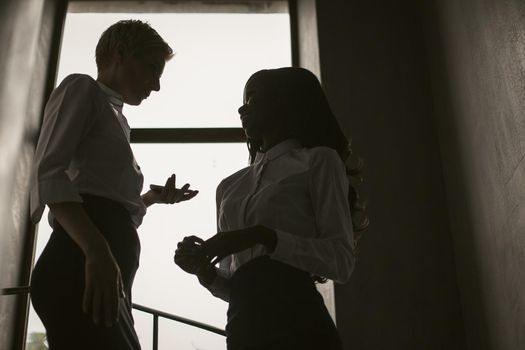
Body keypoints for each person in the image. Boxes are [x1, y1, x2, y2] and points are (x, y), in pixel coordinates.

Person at [29, 20, 197, 350]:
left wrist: (150, 199)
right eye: (151, 68)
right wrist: (96, 250)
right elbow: (49, 173)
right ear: (120, 54)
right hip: (81, 266)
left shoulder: (117, 120)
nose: (157, 86)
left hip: (99, 269)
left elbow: (105, 202)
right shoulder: (81, 88)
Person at [174, 67, 368, 350]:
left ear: (285, 103)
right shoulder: (229, 187)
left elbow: (340, 261)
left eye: (253, 99)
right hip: (243, 328)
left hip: (300, 323)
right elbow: (236, 285)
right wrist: (203, 270)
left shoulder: (318, 161)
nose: (242, 108)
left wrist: (261, 235)